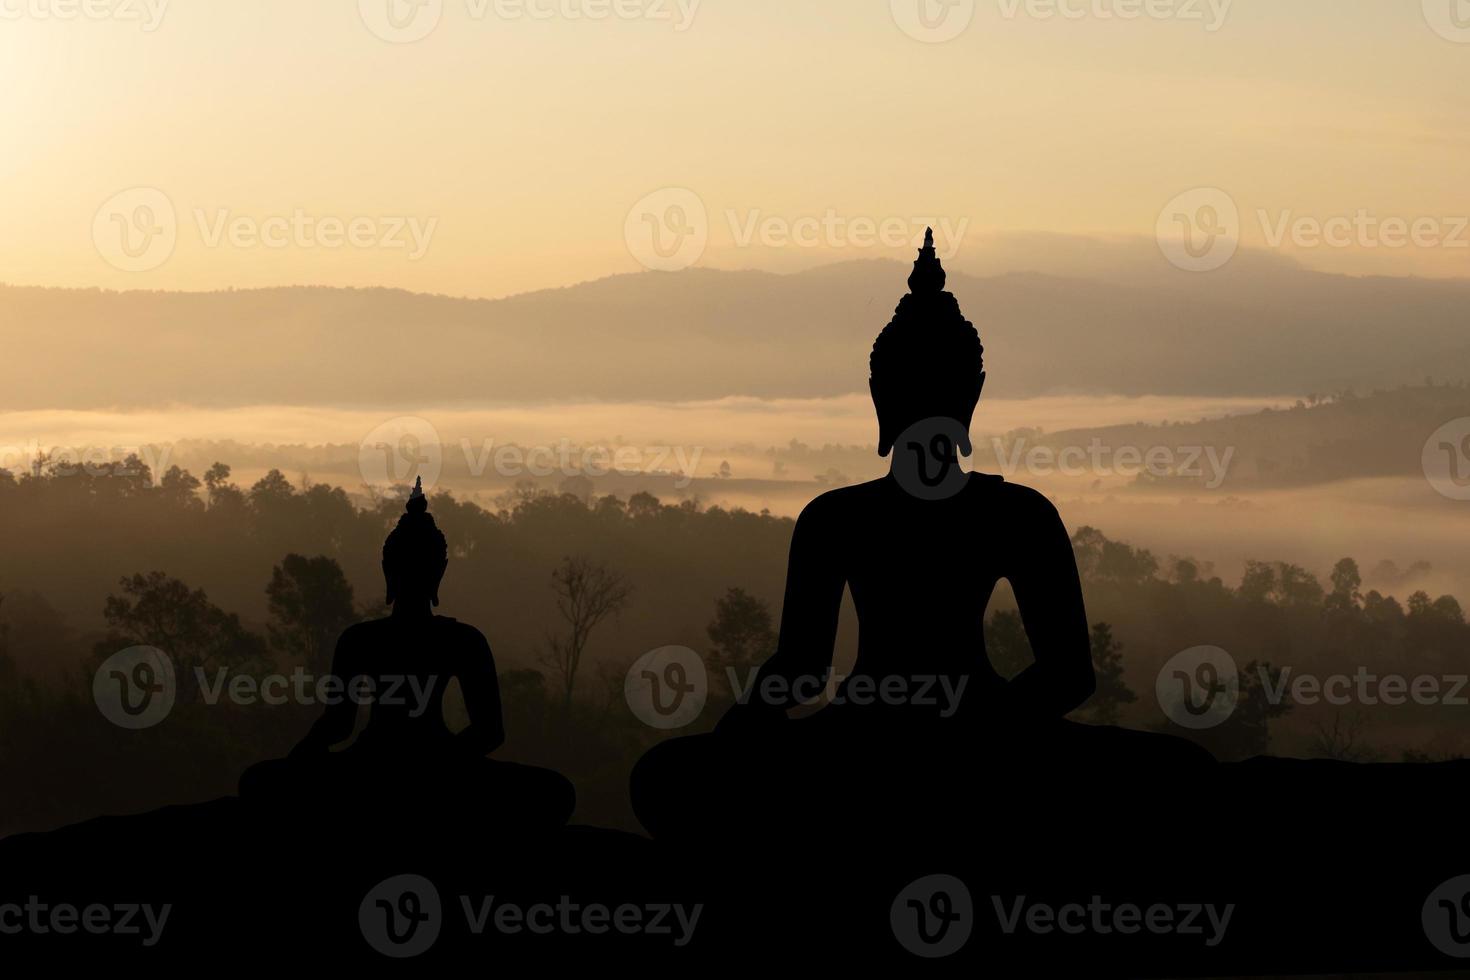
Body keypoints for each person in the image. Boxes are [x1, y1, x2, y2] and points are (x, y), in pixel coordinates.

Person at [630, 231, 1211, 844]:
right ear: (973, 395)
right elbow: (1067, 677)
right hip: (971, 741)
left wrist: (743, 728)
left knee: (670, 777)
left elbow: (801, 672)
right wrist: (978, 733)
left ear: (880, 396)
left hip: (872, 743)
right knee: (1181, 775)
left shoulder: (842, 515)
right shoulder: (1008, 513)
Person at [240, 479, 575, 831]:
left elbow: (338, 725)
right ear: (439, 573)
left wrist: (302, 757)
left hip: (375, 769)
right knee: (554, 792)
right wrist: (439, 767)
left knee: (260, 781)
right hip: (425, 766)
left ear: (388, 571)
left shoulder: (366, 639)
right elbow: (487, 733)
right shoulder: (456, 640)